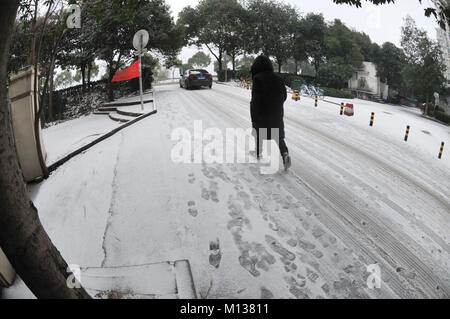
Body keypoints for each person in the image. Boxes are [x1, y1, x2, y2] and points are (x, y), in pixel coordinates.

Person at [250, 55, 291, 170]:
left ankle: (258, 153)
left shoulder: (257, 79)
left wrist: (254, 116)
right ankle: (285, 154)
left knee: (259, 134)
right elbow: (284, 96)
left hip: (262, 113)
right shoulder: (278, 78)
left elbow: (255, 100)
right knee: (278, 137)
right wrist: (276, 105)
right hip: (276, 113)